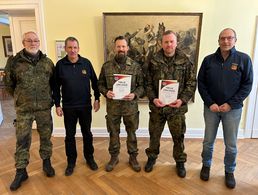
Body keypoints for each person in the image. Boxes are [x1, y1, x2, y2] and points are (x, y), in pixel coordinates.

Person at [198, 28, 253, 189]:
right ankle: (206, 165)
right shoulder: (208, 60)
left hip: (233, 110)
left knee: (231, 144)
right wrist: (210, 103)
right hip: (211, 109)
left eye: (230, 38)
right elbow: (201, 83)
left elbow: (247, 85)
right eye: (223, 38)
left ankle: (229, 171)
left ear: (235, 40)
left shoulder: (244, 59)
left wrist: (231, 104)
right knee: (208, 141)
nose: (226, 41)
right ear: (218, 40)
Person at [4, 31, 55, 191]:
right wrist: (21, 98)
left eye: (35, 40)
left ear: (39, 42)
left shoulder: (47, 62)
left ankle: (46, 163)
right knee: (22, 140)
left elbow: (53, 84)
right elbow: (9, 85)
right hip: (24, 110)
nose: (33, 43)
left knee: (46, 138)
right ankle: (21, 171)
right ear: (23, 42)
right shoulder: (13, 63)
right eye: (29, 40)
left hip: (44, 109)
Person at [144, 30, 196, 178]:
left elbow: (192, 83)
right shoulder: (153, 60)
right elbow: (147, 82)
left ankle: (180, 161)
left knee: (178, 137)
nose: (169, 44)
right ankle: (151, 158)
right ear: (161, 43)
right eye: (166, 42)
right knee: (154, 135)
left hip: (176, 108)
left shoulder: (185, 60)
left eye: (171, 41)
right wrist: (153, 98)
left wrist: (182, 100)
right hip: (157, 107)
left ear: (176, 42)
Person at [54, 37, 100, 176]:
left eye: (75, 47)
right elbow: (55, 87)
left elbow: (95, 82)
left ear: (78, 48)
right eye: (70, 47)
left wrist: (97, 98)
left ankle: (89, 158)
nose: (72, 50)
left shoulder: (86, 63)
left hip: (85, 106)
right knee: (70, 135)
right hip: (68, 107)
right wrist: (57, 104)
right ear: (65, 49)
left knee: (87, 133)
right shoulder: (60, 65)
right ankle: (71, 162)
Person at [98, 36, 144, 172]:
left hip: (130, 108)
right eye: (118, 46)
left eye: (123, 46)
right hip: (113, 108)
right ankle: (114, 157)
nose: (121, 49)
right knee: (113, 133)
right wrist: (106, 92)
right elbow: (100, 84)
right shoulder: (106, 66)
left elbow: (142, 86)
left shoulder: (136, 67)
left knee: (132, 133)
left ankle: (133, 157)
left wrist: (134, 94)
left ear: (128, 48)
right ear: (114, 48)